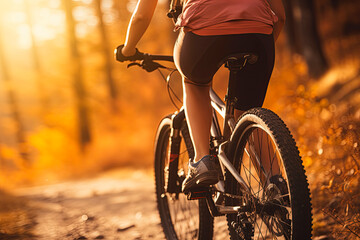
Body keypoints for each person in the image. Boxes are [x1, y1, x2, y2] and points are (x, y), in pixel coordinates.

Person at [118, 0, 286, 193]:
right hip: (259, 34)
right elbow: (280, 16)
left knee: (193, 82)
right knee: (246, 113)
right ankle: (276, 182)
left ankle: (202, 160)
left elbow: (141, 16)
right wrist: (260, 46)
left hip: (204, 33)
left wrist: (128, 49)